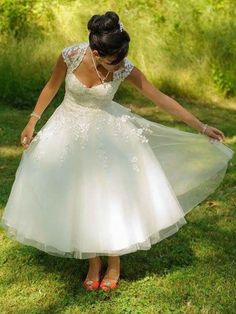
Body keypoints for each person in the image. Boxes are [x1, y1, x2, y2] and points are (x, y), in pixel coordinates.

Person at [0, 11, 234, 292]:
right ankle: (93, 261)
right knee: (77, 194)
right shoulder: (69, 56)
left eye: (122, 60)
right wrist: (32, 121)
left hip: (106, 132)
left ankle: (114, 262)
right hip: (67, 129)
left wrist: (201, 125)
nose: (120, 66)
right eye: (114, 61)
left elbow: (160, 98)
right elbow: (51, 87)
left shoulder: (124, 68)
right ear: (96, 53)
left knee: (108, 193)